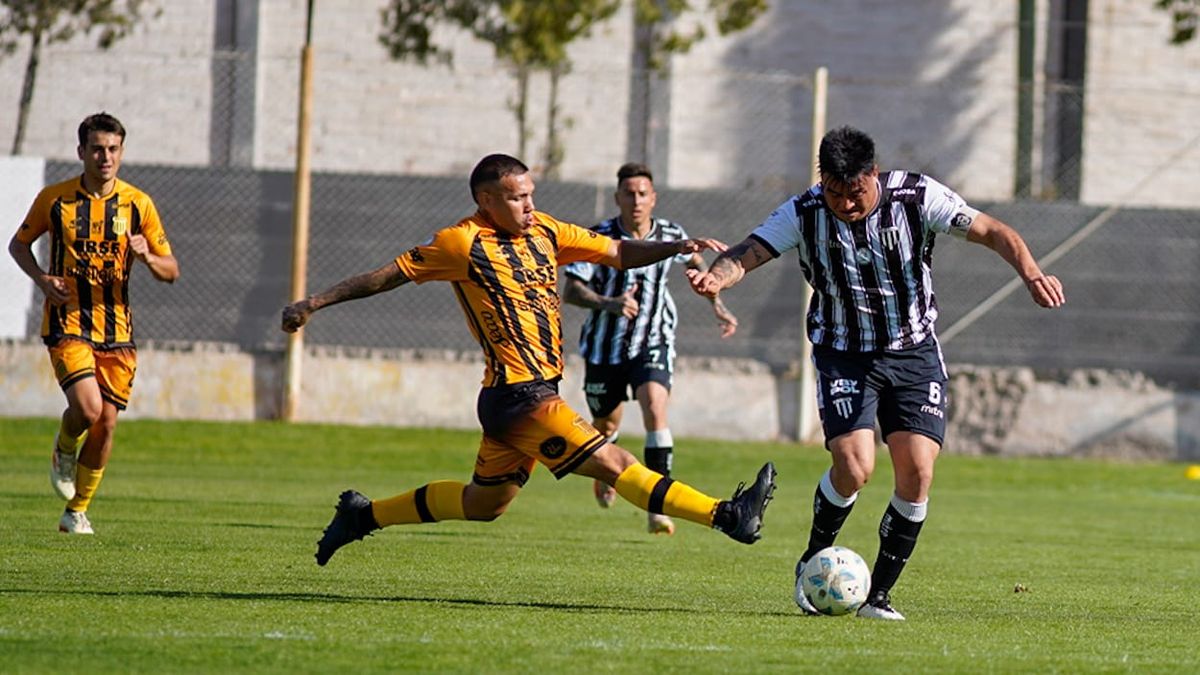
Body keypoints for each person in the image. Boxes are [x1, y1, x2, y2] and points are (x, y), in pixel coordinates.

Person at [281, 153, 776, 567]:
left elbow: (617, 252)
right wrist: (313, 304)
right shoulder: (460, 243)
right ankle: (727, 515)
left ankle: (363, 515)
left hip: (525, 396)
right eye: (517, 198)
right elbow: (385, 276)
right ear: (486, 200)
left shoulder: (546, 231)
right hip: (520, 397)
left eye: (531, 194)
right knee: (613, 460)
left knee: (483, 505)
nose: (529, 205)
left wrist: (675, 247)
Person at [689, 126, 1064, 620]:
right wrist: (716, 277)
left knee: (918, 472)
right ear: (823, 181)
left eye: (856, 192)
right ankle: (812, 559)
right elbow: (747, 253)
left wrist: (1032, 272)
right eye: (835, 192)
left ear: (873, 174)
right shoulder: (804, 212)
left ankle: (879, 597)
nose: (845, 204)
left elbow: (993, 230)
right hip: (844, 353)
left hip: (913, 353)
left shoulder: (917, 196)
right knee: (855, 467)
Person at [8, 112, 180, 534]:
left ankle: (76, 512)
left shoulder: (138, 205)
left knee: (106, 423)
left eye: (114, 149)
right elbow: (19, 244)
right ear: (81, 152)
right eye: (98, 149)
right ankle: (64, 446)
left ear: (121, 152)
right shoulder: (56, 199)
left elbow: (171, 270)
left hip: (118, 331)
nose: (106, 157)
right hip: (68, 322)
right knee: (87, 409)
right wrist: (41, 279)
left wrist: (147, 257)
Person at [562, 162, 737, 535]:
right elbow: (571, 291)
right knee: (606, 425)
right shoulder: (598, 237)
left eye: (643, 193)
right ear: (617, 198)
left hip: (653, 340)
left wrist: (717, 303)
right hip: (603, 348)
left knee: (656, 410)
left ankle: (659, 507)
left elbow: (696, 262)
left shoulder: (672, 234)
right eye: (629, 193)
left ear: (653, 198)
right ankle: (606, 469)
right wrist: (610, 303)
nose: (636, 200)